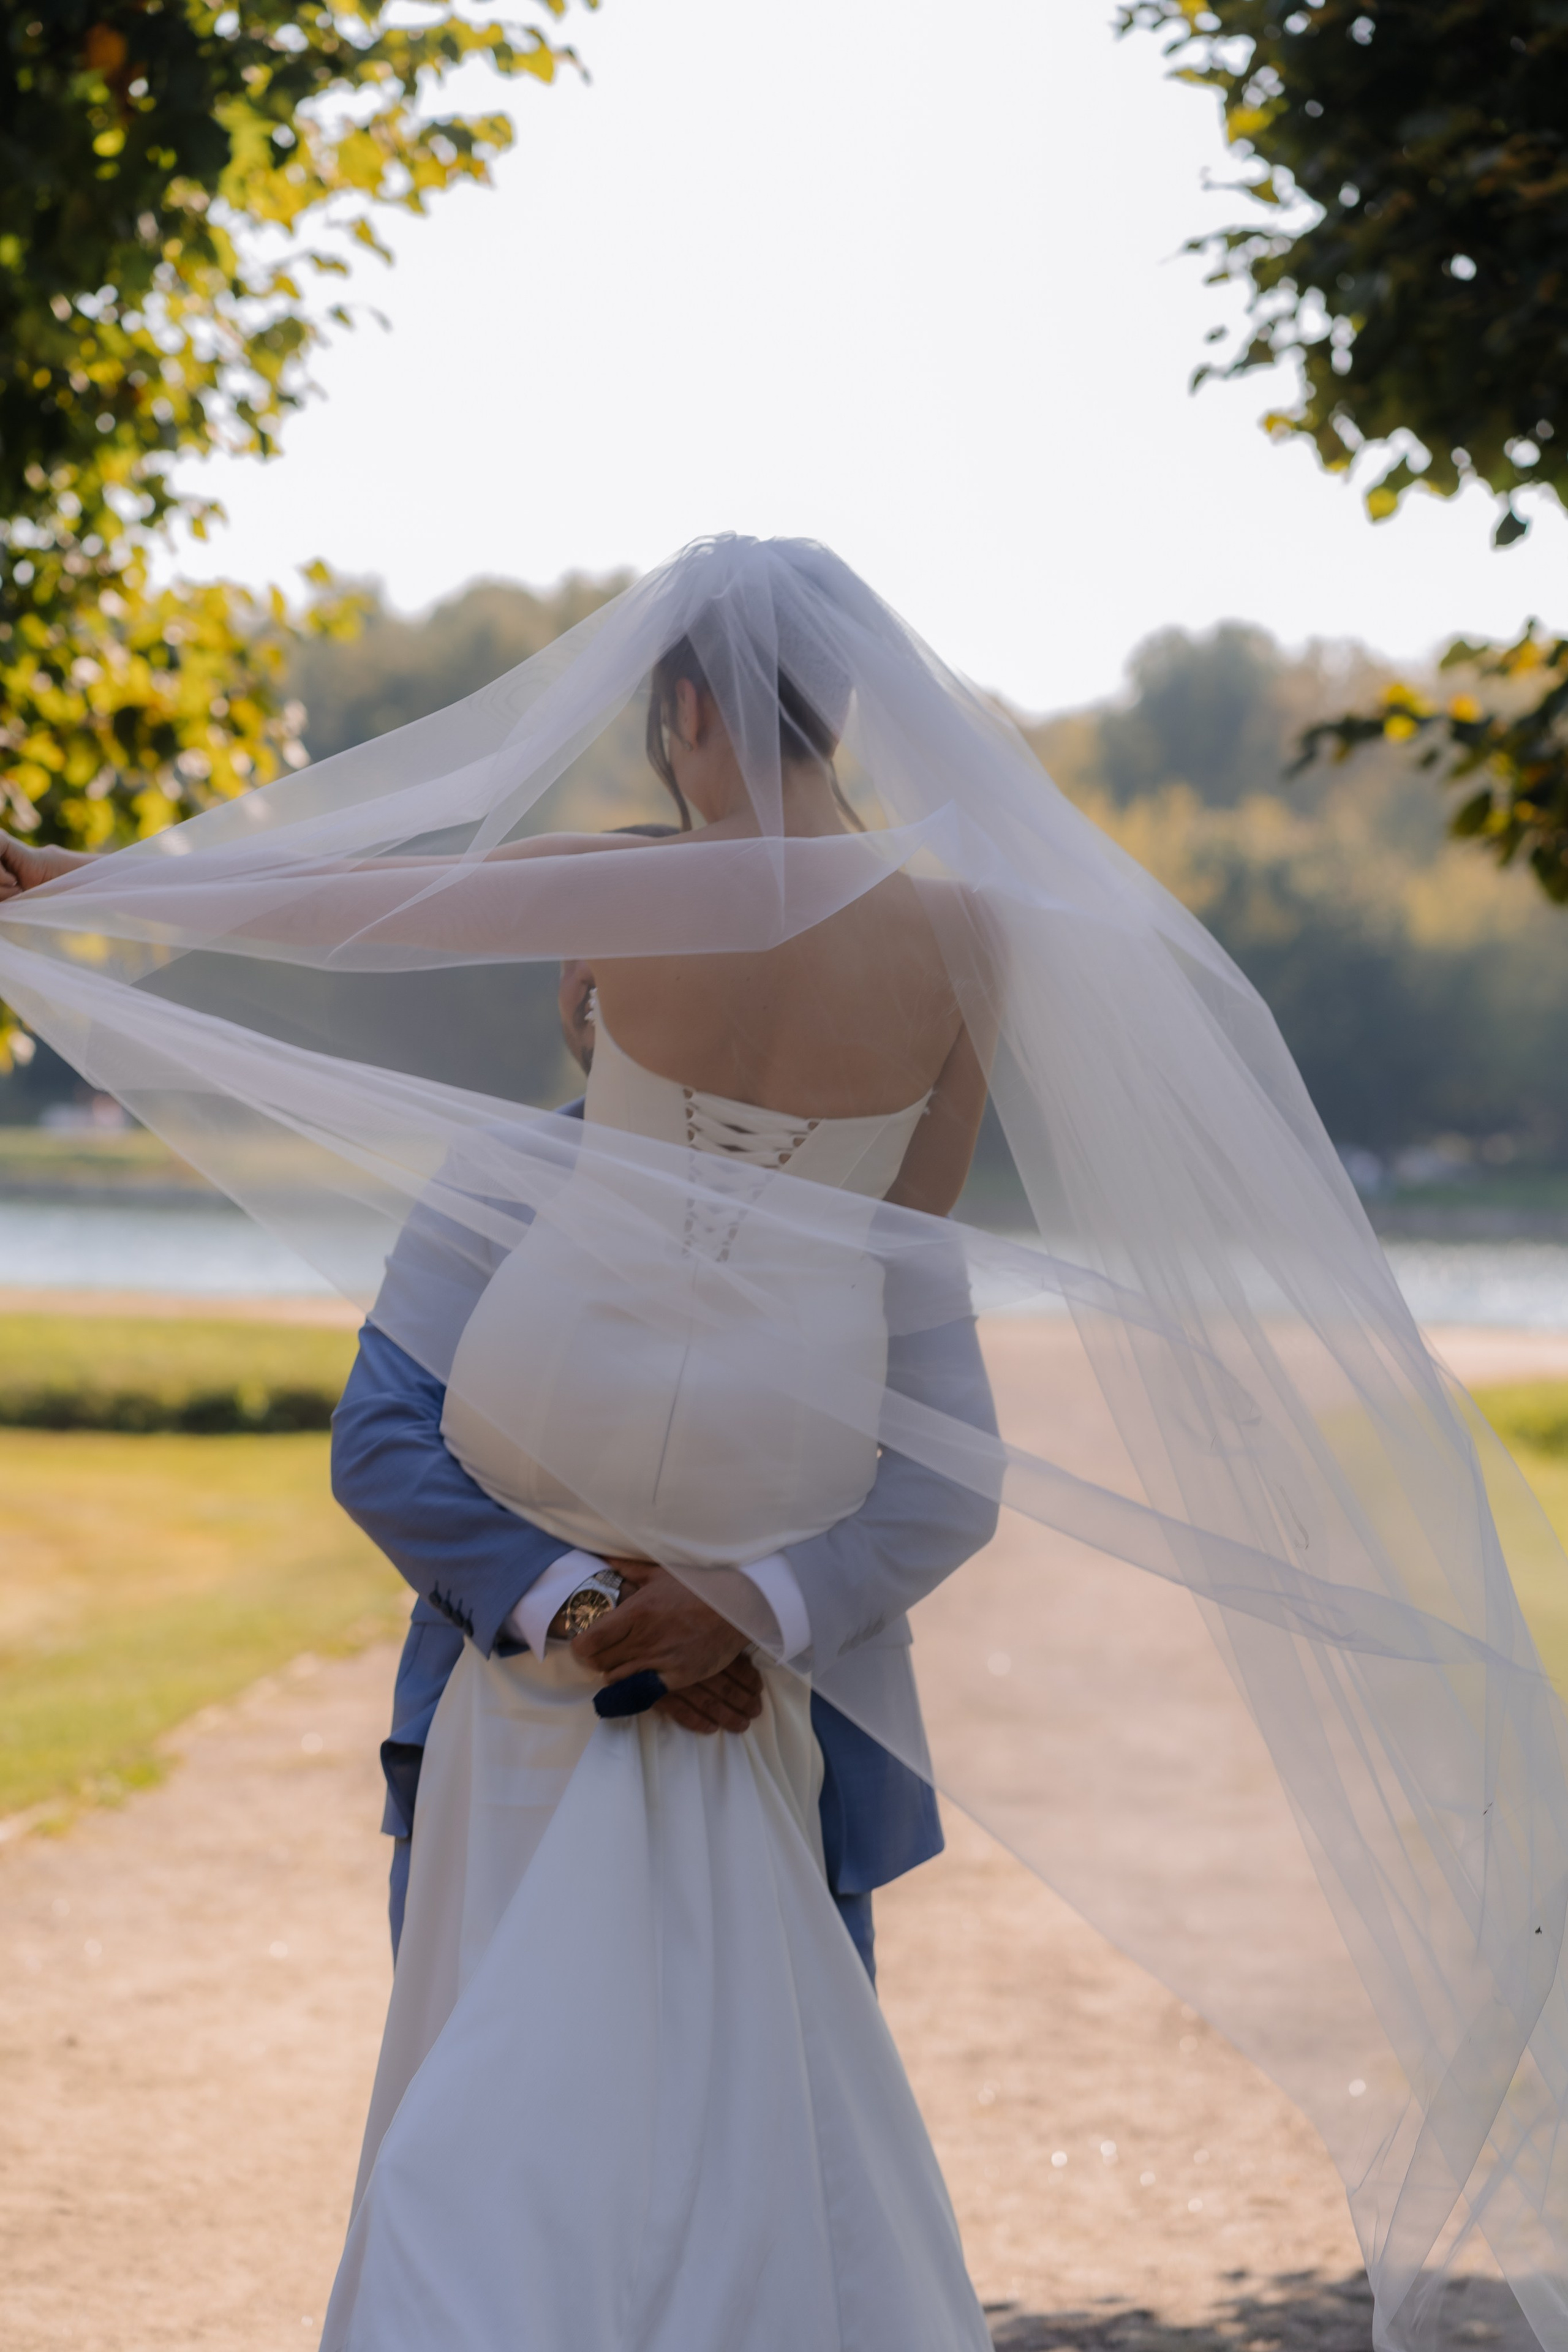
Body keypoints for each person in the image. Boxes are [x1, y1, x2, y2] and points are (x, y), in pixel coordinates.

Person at [334, 944, 997, 1984]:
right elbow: (382, 1441)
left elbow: (946, 1487)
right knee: (475, 2107)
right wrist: (600, 1612)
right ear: (581, 994)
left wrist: (750, 1609)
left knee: (784, 2127)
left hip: (786, 1735)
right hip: (500, 1726)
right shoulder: (497, 1183)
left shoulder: (874, 1222)